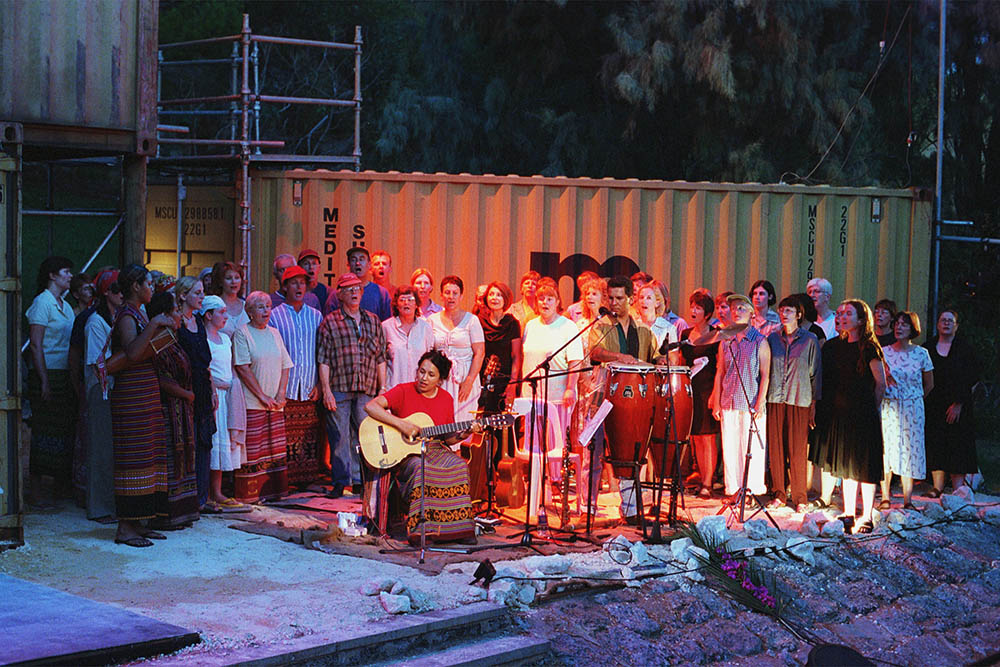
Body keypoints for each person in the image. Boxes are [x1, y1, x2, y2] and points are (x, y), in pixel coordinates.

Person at [364, 350, 477, 544]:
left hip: (435, 448)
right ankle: (421, 530)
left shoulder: (446, 399)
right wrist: (401, 424)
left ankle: (457, 530)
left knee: (459, 466)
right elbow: (370, 406)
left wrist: (464, 434)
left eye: (431, 375)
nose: (424, 378)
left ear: (440, 380)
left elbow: (448, 438)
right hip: (407, 453)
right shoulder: (403, 391)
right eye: (421, 372)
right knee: (421, 467)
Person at [107, 264, 176, 547]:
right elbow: (133, 353)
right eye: (148, 284)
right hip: (131, 397)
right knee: (133, 459)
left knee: (149, 457)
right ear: (135, 286)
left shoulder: (139, 312)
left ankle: (139, 522)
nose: (151, 289)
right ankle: (125, 528)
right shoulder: (127, 315)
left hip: (145, 392)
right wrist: (155, 323)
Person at [589, 276, 661, 523]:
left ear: (630, 299)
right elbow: (595, 352)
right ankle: (589, 507)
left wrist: (664, 360)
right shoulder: (601, 325)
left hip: (635, 400)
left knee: (631, 452)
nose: (614, 303)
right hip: (605, 395)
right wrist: (619, 356)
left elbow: (655, 356)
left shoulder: (643, 329)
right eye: (610, 298)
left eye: (619, 298)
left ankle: (630, 509)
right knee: (597, 451)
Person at [811, 300, 886, 533]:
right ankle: (849, 512)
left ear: (861, 320)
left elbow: (881, 383)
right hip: (839, 414)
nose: (842, 317)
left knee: (865, 466)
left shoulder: (869, 348)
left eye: (848, 314)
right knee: (847, 466)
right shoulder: (833, 346)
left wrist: (871, 408)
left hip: (862, 413)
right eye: (840, 313)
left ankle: (867, 516)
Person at [318, 273, 388, 498]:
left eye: (357, 288)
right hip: (339, 386)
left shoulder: (373, 321)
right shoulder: (330, 322)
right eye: (348, 289)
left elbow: (381, 357)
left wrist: (382, 389)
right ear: (339, 295)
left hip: (366, 387)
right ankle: (341, 481)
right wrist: (326, 390)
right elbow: (323, 359)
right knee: (339, 436)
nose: (354, 293)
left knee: (364, 434)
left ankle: (360, 481)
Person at [521, 282, 585, 515]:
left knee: (555, 445)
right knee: (534, 444)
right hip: (531, 394)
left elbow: (575, 360)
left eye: (550, 298)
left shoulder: (568, 327)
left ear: (558, 302)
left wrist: (570, 388)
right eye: (541, 298)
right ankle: (537, 491)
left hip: (558, 396)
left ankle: (555, 488)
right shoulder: (530, 325)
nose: (544, 302)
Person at [232, 291, 293, 503]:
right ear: (249, 312)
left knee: (274, 448)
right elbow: (242, 367)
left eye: (268, 306)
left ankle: (274, 493)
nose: (266, 311)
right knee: (253, 449)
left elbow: (285, 365)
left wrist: (280, 394)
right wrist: (262, 396)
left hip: (275, 403)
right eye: (260, 307)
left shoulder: (275, 333)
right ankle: (250, 496)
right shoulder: (242, 333)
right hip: (253, 402)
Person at [147, 291, 200, 529]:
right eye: (176, 310)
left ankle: (183, 512)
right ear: (165, 315)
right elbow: (161, 377)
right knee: (170, 459)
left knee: (183, 457)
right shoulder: (158, 341)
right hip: (167, 410)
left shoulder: (173, 338)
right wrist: (185, 394)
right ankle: (167, 515)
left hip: (182, 409)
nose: (180, 314)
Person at [25, 256, 77, 503]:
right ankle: (35, 490)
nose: (70, 276)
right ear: (52, 275)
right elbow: (36, 345)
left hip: (64, 373)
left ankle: (58, 487)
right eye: (65, 272)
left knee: (62, 430)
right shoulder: (42, 303)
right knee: (43, 429)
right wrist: (44, 379)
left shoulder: (65, 306)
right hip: (46, 373)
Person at [712, 293, 771, 503]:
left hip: (750, 401)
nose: (736, 312)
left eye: (741, 308)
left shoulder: (759, 341)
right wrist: (716, 401)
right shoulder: (726, 341)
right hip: (729, 400)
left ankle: (750, 491)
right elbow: (720, 371)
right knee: (730, 447)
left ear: (751, 313)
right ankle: (735, 490)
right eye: (733, 308)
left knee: (750, 448)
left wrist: (760, 402)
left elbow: (765, 374)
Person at [270, 266, 325, 487]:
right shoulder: (275, 315)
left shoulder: (316, 316)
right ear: (285, 287)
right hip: (286, 386)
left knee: (309, 437)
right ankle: (286, 482)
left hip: (310, 384)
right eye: (294, 283)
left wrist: (320, 384)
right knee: (284, 437)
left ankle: (307, 480)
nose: (299, 286)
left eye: (302, 282)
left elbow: (322, 352)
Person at [765, 295, 821, 512]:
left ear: (799, 314)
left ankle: (800, 497)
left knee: (797, 450)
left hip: (800, 399)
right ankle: (779, 493)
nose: (784, 314)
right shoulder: (772, 338)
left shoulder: (810, 340)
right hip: (775, 398)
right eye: (781, 310)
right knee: (776, 448)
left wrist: (814, 403)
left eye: (789, 311)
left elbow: (815, 373)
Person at [880, 311, 933, 509]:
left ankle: (907, 499)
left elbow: (929, 383)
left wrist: (915, 399)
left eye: (904, 324)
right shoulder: (884, 352)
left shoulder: (921, 353)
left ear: (912, 328)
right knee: (887, 447)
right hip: (889, 404)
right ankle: (885, 496)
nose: (899, 327)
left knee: (910, 449)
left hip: (912, 406)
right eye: (897, 323)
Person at [80, 268, 122, 521]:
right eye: (117, 289)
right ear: (107, 293)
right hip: (101, 387)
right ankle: (99, 507)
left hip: (114, 387)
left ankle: (110, 504)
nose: (121, 294)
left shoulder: (117, 317)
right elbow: (98, 363)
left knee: (112, 449)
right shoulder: (96, 322)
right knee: (100, 448)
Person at [924, 309, 978, 497]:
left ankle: (958, 489)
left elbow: (972, 377)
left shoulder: (965, 348)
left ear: (956, 326)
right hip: (934, 404)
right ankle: (937, 487)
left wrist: (958, 403)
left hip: (958, 405)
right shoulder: (928, 347)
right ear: (937, 324)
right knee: (936, 442)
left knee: (958, 444)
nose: (946, 323)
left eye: (950, 320)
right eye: (943, 320)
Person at [174, 276, 217, 512]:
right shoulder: (176, 322)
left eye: (202, 292)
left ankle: (202, 497)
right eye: (197, 293)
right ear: (183, 295)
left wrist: (212, 389)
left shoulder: (198, 321)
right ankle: (186, 497)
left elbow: (205, 359)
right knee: (186, 441)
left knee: (204, 440)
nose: (202, 297)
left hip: (202, 385)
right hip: (184, 386)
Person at [203, 294, 245, 509]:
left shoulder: (226, 339)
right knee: (213, 443)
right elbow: (206, 368)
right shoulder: (203, 339)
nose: (225, 316)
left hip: (227, 395)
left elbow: (230, 367)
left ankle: (217, 492)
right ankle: (207, 493)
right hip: (214, 395)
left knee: (223, 444)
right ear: (208, 315)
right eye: (221, 312)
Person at [678, 289, 721, 498]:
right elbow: (681, 360)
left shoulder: (716, 334)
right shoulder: (686, 334)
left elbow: (720, 366)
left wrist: (716, 395)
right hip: (690, 389)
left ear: (707, 314)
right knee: (695, 436)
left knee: (707, 437)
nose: (693, 311)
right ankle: (701, 476)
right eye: (692, 307)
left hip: (708, 389)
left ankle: (708, 482)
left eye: (698, 308)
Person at [429, 276, 485, 424]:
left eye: (455, 293)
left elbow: (480, 353)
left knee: (463, 424)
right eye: (447, 292)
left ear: (461, 296)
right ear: (441, 295)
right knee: (440, 422)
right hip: (440, 378)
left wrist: (469, 381)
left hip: (464, 377)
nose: (451, 297)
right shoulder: (432, 320)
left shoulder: (472, 320)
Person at [477, 281, 522, 411]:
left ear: (505, 299)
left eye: (499, 295)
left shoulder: (512, 324)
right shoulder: (479, 321)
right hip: (481, 381)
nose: (494, 298)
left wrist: (512, 384)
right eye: (491, 294)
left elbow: (516, 356)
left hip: (504, 381)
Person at [383, 286, 435, 391]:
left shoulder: (425, 328)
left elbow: (431, 360)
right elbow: (381, 360)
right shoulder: (386, 327)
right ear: (396, 305)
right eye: (402, 300)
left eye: (410, 299)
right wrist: (382, 387)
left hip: (419, 388)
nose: (406, 303)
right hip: (393, 388)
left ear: (416, 304)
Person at [325, 247, 392, 321]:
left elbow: (387, 324)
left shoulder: (382, 293)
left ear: (369, 265)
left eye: (361, 259)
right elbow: (328, 321)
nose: (358, 263)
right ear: (348, 265)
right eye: (353, 260)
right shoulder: (338, 294)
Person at [211, 261, 250, 337]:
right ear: (220, 282)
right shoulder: (214, 306)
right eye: (228, 278)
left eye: (237, 278)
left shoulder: (247, 306)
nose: (233, 281)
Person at [636, 281, 676, 350]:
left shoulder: (669, 328)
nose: (643, 301)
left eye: (649, 298)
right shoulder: (632, 326)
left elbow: (673, 355)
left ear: (657, 303)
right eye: (641, 297)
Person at [297, 249, 328, 314]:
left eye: (314, 263)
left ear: (319, 267)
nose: (311, 267)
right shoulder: (294, 291)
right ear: (299, 267)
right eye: (306, 264)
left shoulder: (325, 291)